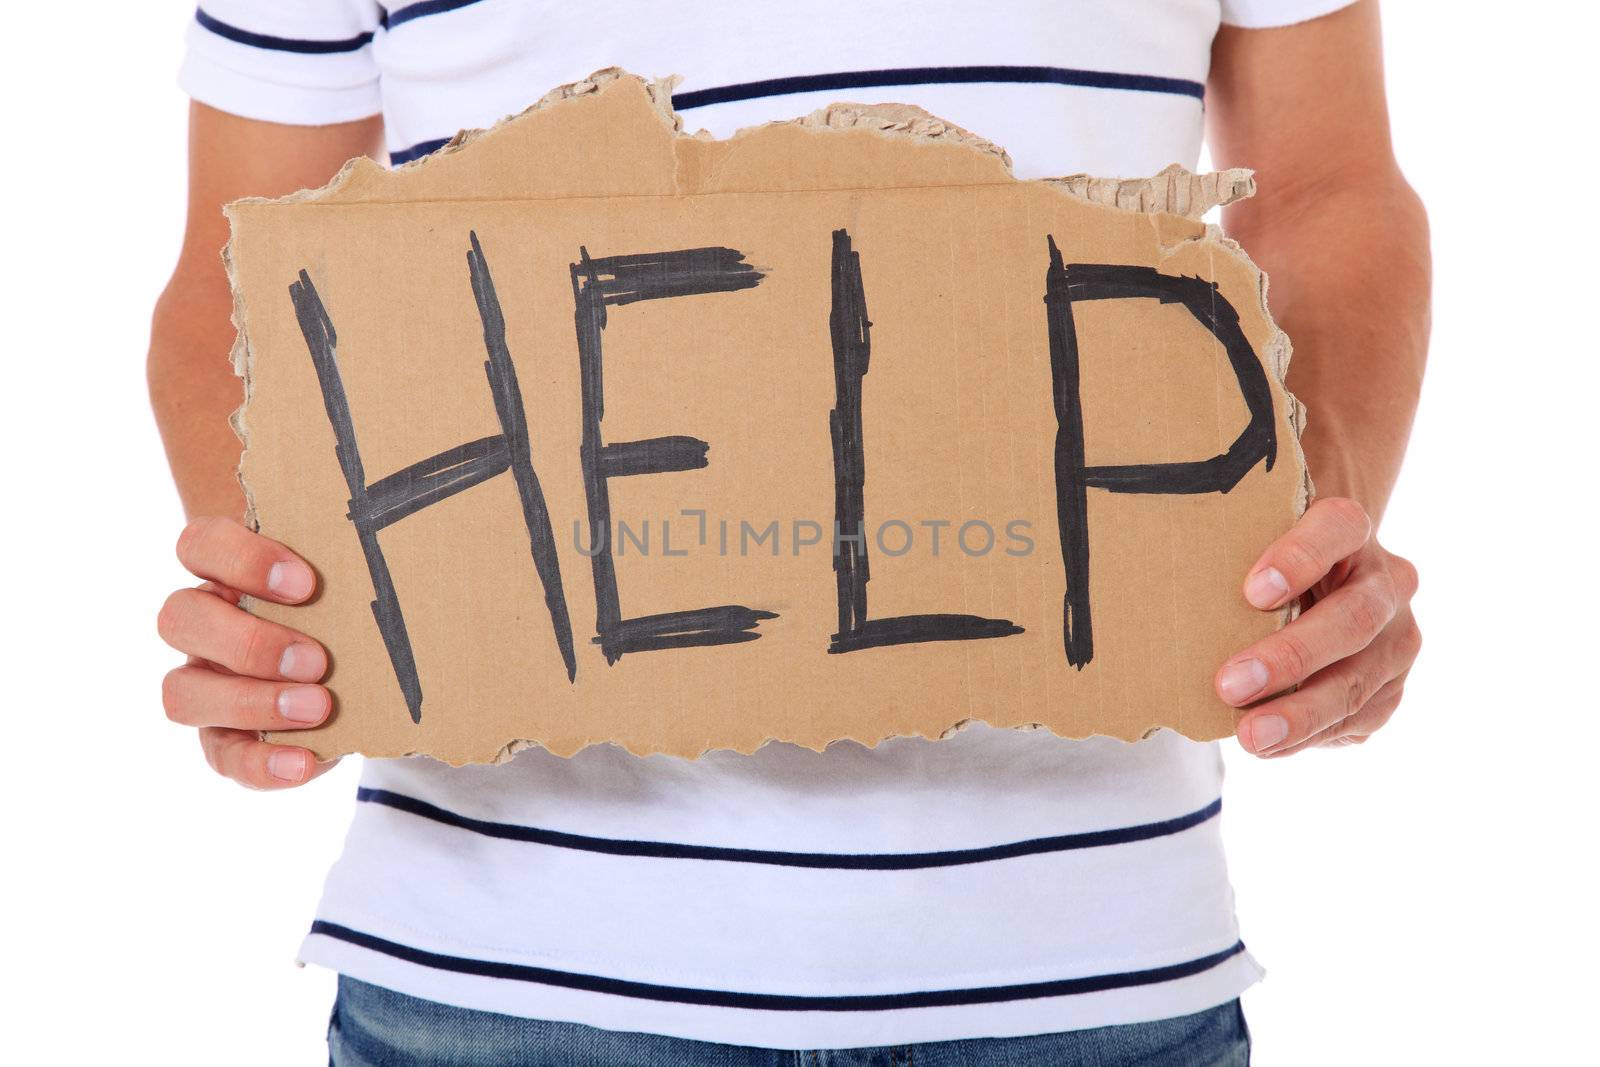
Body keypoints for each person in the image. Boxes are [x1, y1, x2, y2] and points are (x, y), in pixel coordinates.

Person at [150, 1, 1427, 1063]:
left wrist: (1317, 533)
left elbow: (1326, 180)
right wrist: (288, 600)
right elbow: (237, 262)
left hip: (1090, 965)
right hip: (503, 973)